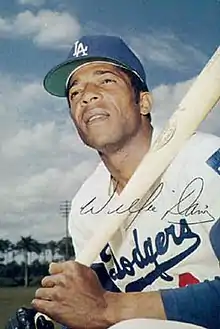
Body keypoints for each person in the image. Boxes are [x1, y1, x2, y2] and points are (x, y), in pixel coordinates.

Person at [17, 35, 220, 328]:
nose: (87, 95)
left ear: (144, 102)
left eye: (106, 81)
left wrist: (112, 309)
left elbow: (105, 308)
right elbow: (93, 304)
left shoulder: (206, 161)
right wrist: (56, 320)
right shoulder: (85, 206)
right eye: (75, 93)